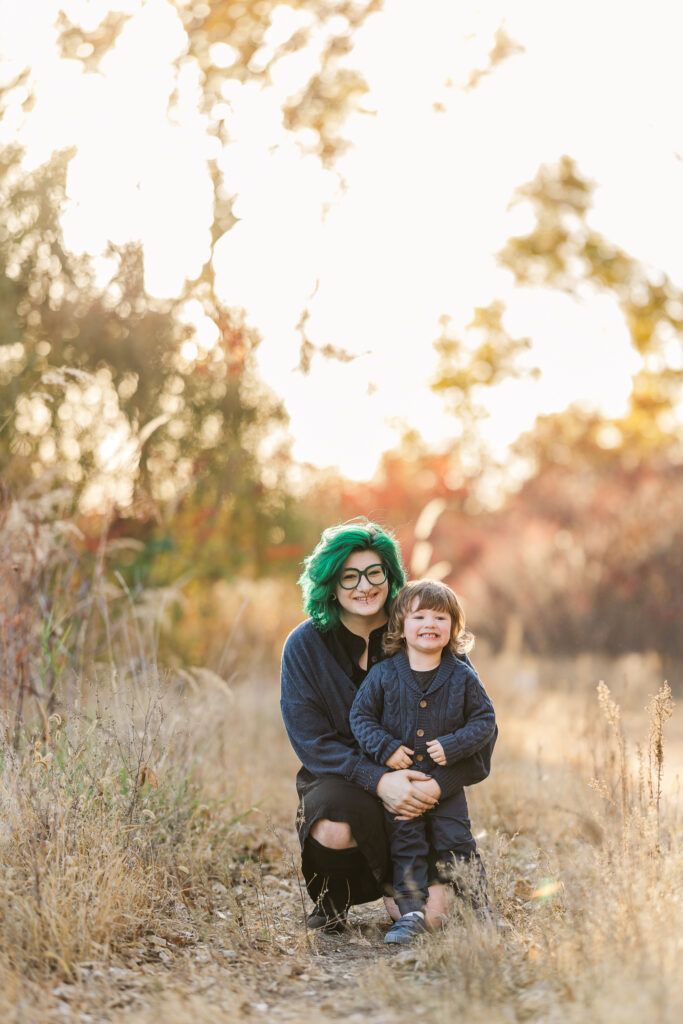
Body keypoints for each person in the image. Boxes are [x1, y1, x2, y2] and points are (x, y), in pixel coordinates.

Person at [280, 519, 496, 934]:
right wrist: (380, 781)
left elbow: (483, 732)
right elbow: (311, 741)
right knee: (333, 822)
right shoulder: (305, 645)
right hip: (344, 784)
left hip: (424, 794)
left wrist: (440, 784)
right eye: (349, 576)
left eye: (374, 572)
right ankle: (333, 899)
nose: (364, 585)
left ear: (391, 576)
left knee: (430, 920)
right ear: (330, 583)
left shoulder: (426, 632)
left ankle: (404, 895)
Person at [349, 579, 497, 944]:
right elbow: (360, 717)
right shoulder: (384, 674)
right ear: (400, 626)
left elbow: (485, 721)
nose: (430, 624)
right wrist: (384, 748)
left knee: (458, 844)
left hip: (445, 790)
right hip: (402, 786)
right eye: (419, 616)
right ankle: (411, 913)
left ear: (454, 627)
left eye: (440, 617)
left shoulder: (462, 676)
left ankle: (481, 909)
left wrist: (453, 744)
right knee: (406, 846)